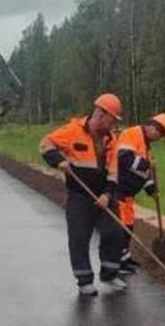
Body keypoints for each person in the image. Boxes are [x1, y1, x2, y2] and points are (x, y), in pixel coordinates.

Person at [39, 94, 127, 296]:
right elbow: (45, 144)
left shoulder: (113, 140)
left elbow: (114, 172)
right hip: (80, 194)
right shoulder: (73, 131)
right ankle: (84, 279)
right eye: (112, 119)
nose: (113, 124)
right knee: (79, 237)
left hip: (104, 193)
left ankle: (110, 274)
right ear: (100, 113)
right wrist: (57, 161)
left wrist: (107, 195)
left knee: (114, 231)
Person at [113, 113, 165, 275]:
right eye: (158, 133)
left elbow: (142, 174)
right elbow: (123, 158)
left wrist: (151, 189)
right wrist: (146, 163)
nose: (157, 137)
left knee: (128, 227)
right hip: (118, 189)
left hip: (128, 194)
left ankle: (124, 258)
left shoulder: (146, 144)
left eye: (161, 136)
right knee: (122, 227)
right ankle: (117, 261)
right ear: (151, 126)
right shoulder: (132, 134)